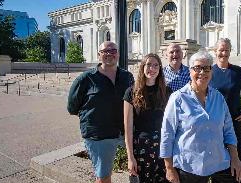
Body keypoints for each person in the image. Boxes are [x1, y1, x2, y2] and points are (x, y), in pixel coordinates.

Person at [160, 50, 241, 183]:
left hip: (219, 162)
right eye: (197, 68)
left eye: (206, 68)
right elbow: (167, 134)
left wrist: (235, 158)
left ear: (211, 72)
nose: (202, 72)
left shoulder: (218, 97)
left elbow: (229, 130)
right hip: (189, 166)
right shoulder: (178, 98)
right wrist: (169, 168)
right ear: (190, 72)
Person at [67, 41, 134, 183]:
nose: (109, 53)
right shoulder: (85, 78)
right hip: (99, 135)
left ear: (118, 54)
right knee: (103, 176)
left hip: (124, 132)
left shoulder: (127, 77)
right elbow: (72, 107)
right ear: (99, 55)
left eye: (113, 51)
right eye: (105, 51)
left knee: (136, 167)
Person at [209, 38, 241, 183]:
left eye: (227, 50)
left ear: (230, 51)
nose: (224, 53)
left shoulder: (236, 71)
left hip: (234, 121)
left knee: (239, 153)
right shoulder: (209, 71)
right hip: (215, 122)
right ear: (215, 51)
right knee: (217, 154)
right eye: (221, 50)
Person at [124, 53, 172, 183]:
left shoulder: (167, 92)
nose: (152, 68)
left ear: (160, 69)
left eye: (156, 65)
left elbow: (173, 123)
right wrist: (130, 157)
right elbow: (128, 128)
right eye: (149, 64)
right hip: (141, 149)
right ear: (142, 67)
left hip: (163, 148)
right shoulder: (131, 92)